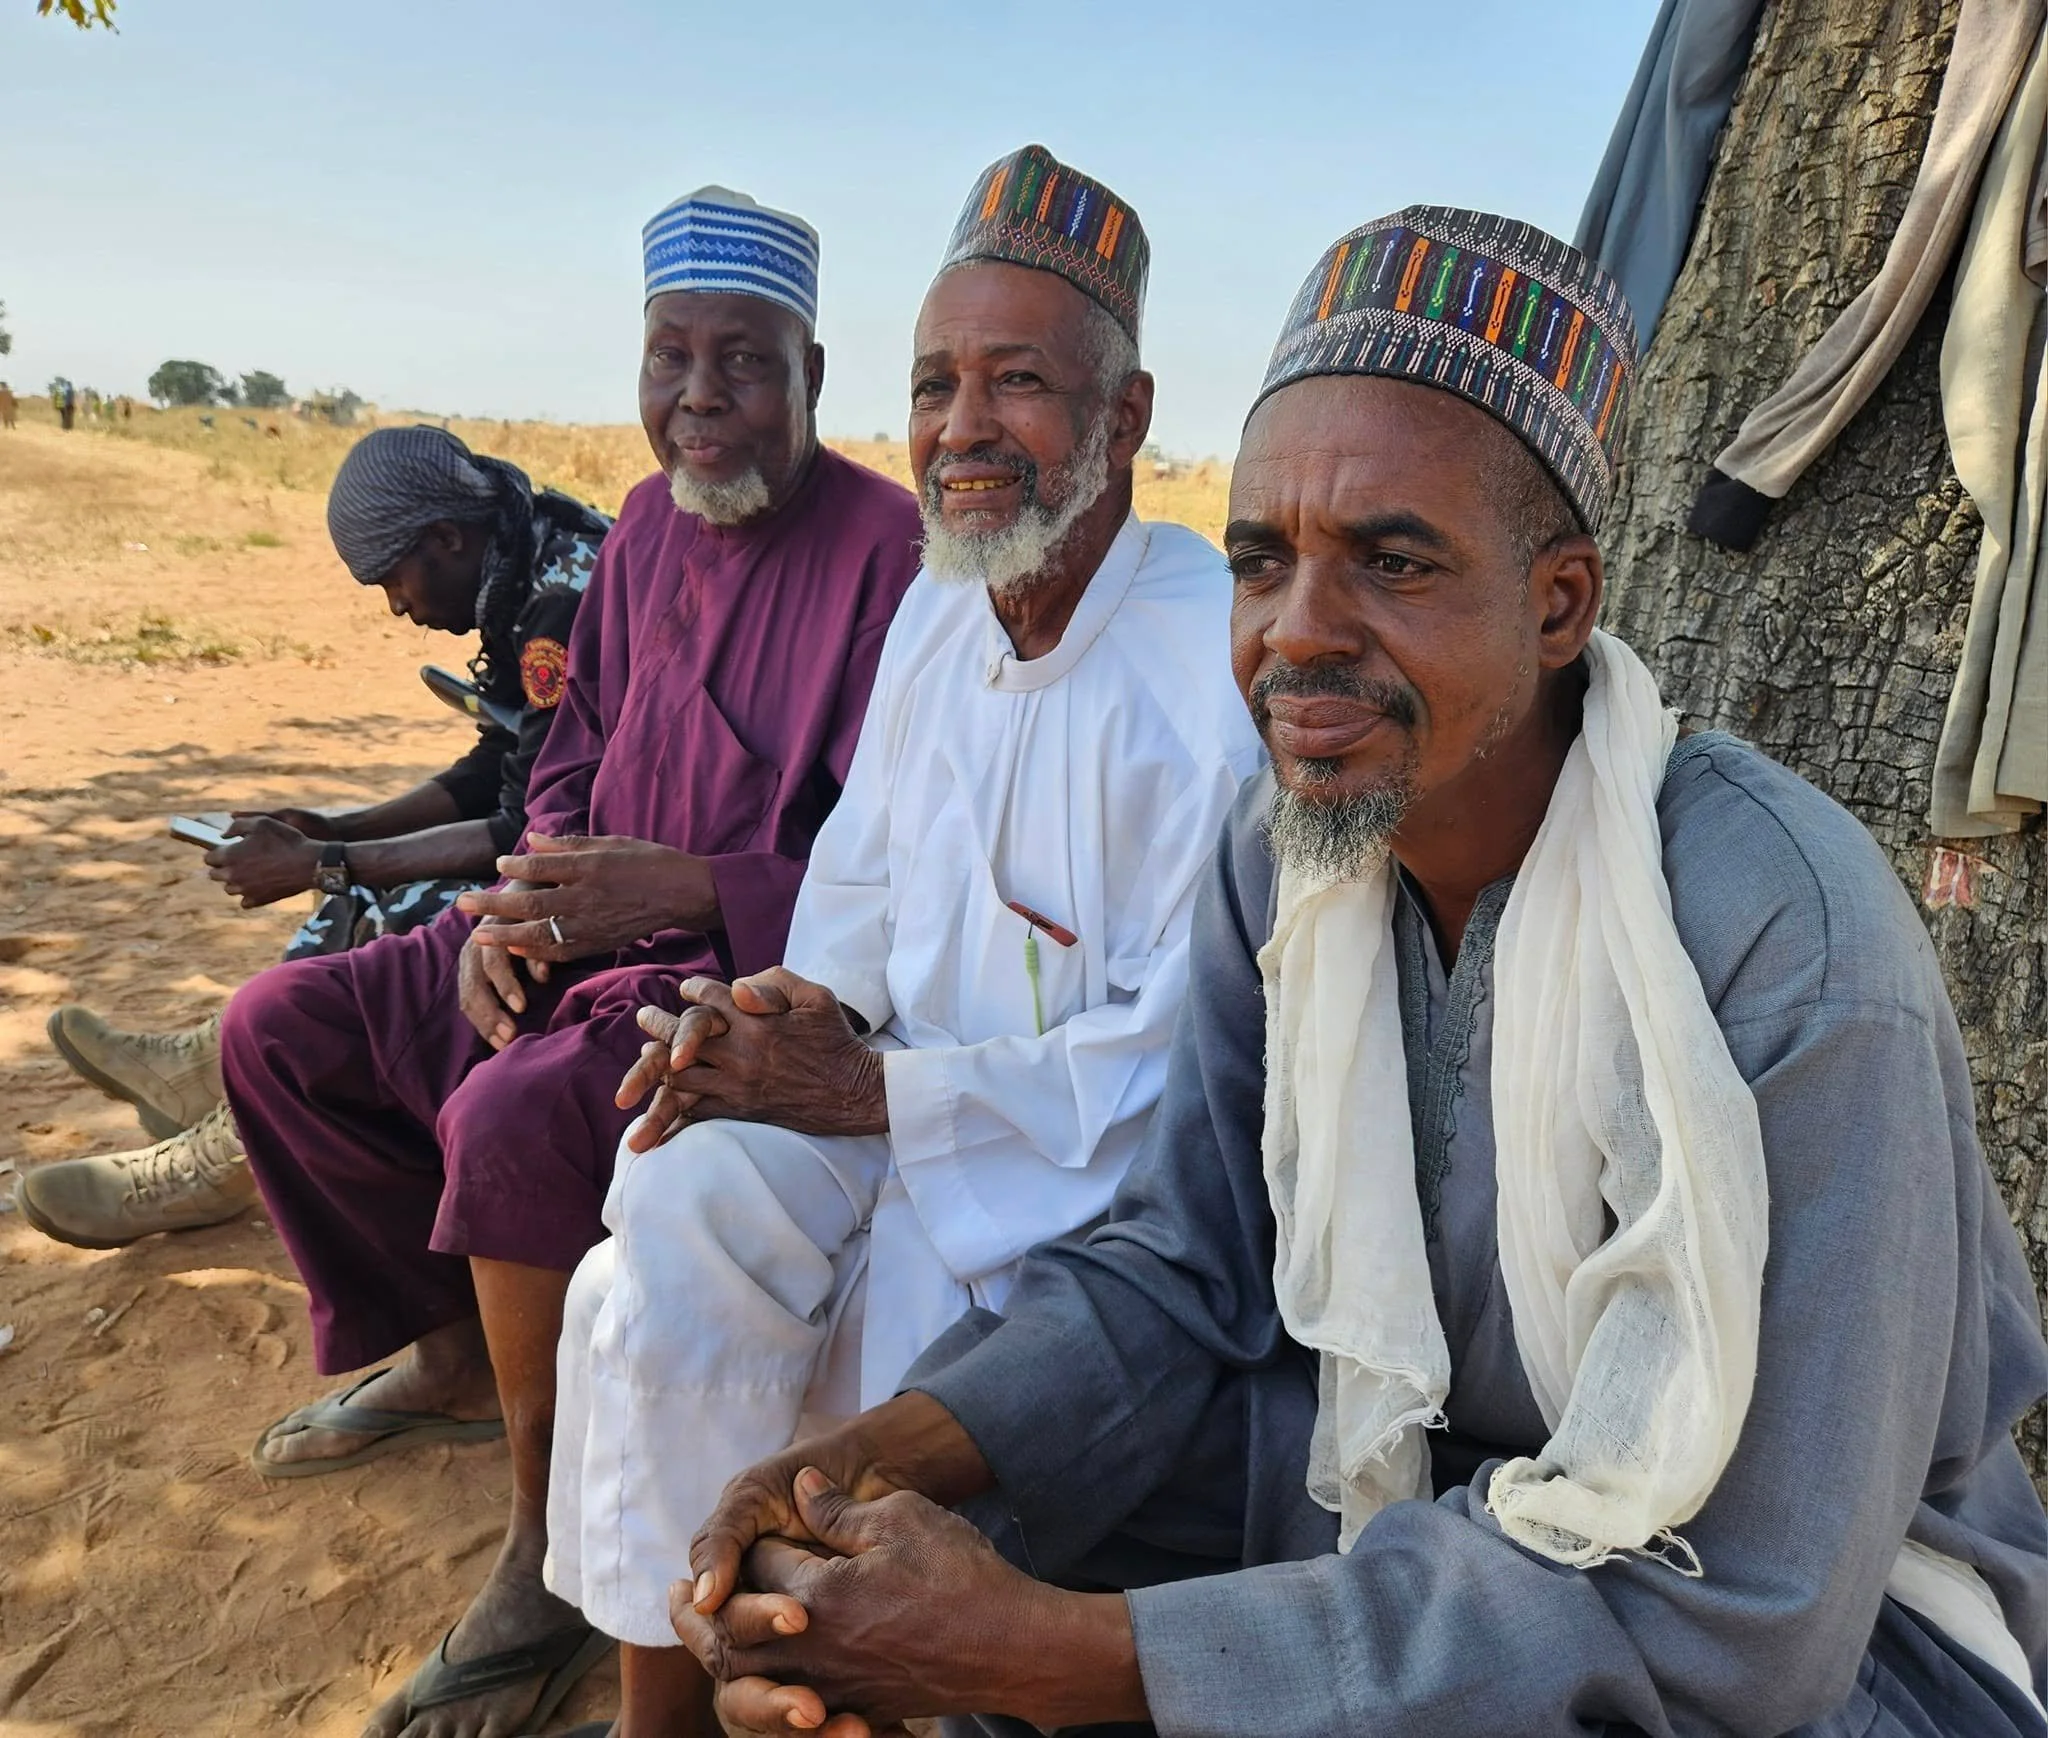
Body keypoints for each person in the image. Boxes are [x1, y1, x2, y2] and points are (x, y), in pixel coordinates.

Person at [669, 210, 2048, 1738]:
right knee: (957, 1551)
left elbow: (1747, 1609)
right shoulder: (1284, 851)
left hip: (1829, 1652)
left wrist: (1052, 1655)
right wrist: (860, 1470)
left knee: (1033, 1642)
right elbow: (1182, 1269)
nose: (1295, 637)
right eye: (1262, 561)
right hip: (1381, 1493)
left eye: (1393, 561)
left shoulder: (1781, 935)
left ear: (1559, 605)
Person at [542, 145, 1264, 1738]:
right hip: (894, 1103)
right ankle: (671, 1676)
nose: (959, 429)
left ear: (1125, 420)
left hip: (1071, 1195)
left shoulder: (1202, 682)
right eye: (935, 383)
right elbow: (858, 890)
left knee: (920, 1329)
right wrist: (762, 1023)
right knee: (674, 1193)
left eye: (1018, 384)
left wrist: (877, 1099)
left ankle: (812, 1669)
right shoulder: (942, 604)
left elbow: (1175, 1075)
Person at [232, 186, 921, 1738]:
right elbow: (571, 746)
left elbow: (901, 866)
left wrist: (683, 889)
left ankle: (550, 1553)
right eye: (670, 356)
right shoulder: (642, 525)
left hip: (734, 971)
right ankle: (451, 1359)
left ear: (815, 369)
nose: (699, 398)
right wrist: (526, 899)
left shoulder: (893, 556)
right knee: (283, 1027)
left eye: (742, 361)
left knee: (511, 1121)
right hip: (568, 935)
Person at [17, 427, 612, 1250]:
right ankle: (214, 1069)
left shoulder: (559, 598)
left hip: (622, 867)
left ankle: (225, 1153)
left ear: (446, 537)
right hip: (575, 839)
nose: (397, 607)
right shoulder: (522, 553)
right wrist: (334, 829)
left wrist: (327, 864)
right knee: (370, 883)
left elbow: (527, 824)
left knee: (393, 906)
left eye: (394, 580)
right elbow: (500, 763)